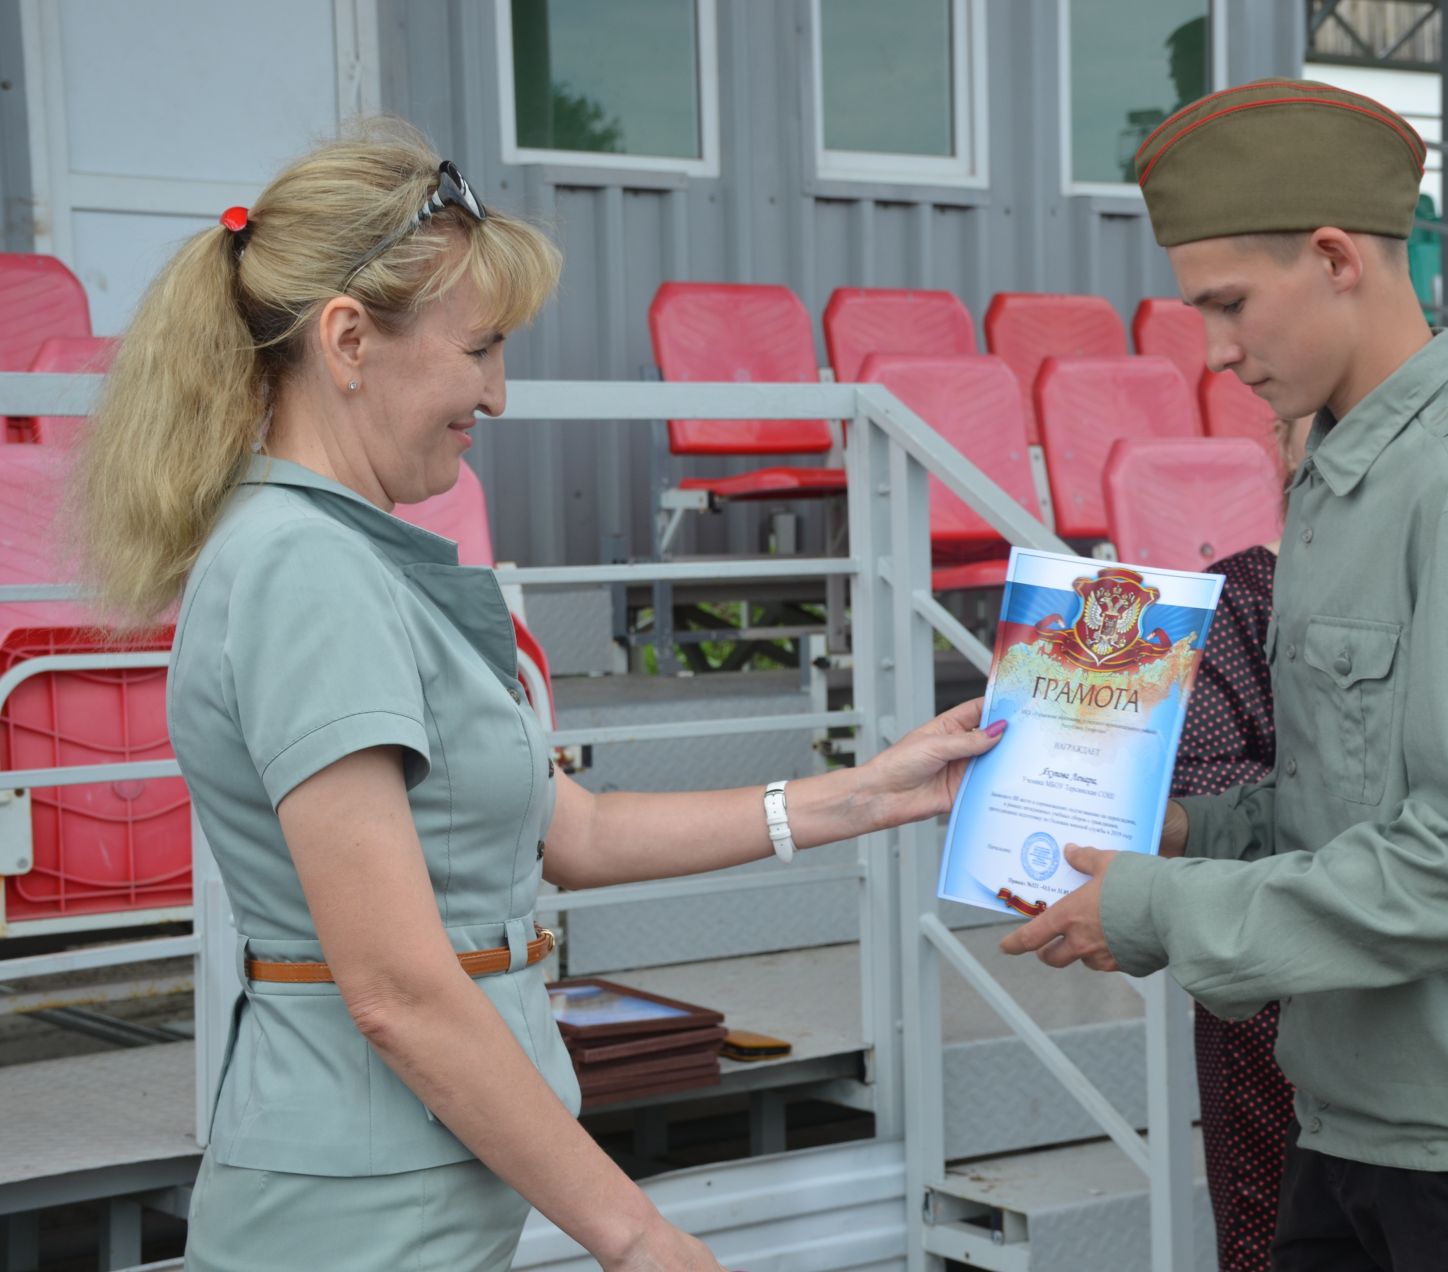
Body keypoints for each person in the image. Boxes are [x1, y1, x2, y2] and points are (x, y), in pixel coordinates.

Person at [67, 121, 1003, 1272]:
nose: (499, 396)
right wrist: (639, 1238)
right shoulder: (300, 569)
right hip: (357, 1214)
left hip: (405, 1184)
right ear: (350, 340)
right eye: (480, 350)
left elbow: (580, 832)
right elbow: (399, 990)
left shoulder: (341, 556)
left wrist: (866, 796)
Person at [997, 79, 1448, 1271]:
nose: (1215, 350)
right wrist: (1176, 829)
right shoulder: (1341, 479)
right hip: (1359, 1118)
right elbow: (1348, 808)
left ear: (1334, 257)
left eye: (1231, 303)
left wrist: (1160, 907)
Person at [1174, 415, 1309, 1272]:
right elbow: (1204, 790)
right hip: (1276, 994)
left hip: (1429, 991)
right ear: (1282, 444)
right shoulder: (1240, 596)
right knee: (1281, 1240)